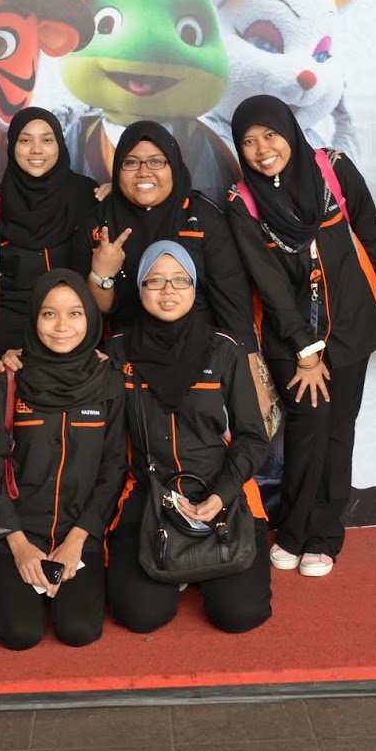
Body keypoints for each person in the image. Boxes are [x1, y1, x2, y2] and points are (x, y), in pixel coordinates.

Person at [226, 96, 376, 577]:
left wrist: (359, 291)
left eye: (270, 135)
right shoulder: (242, 202)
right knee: (308, 425)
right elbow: (268, 282)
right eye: (248, 141)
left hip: (351, 328)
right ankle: (294, 530)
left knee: (339, 429)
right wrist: (304, 349)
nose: (262, 149)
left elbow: (369, 230)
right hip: (289, 337)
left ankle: (324, 536)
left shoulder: (333, 169)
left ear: (289, 132)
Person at [105, 241, 272, 633]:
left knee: (240, 615)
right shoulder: (117, 351)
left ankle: (196, 567)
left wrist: (222, 494)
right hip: (149, 492)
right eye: (156, 280)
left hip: (220, 490)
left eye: (180, 280)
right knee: (141, 616)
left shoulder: (223, 350)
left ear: (195, 288)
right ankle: (188, 565)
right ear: (140, 288)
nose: (168, 290)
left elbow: (252, 437)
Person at [0, 270, 126, 649]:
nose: (62, 326)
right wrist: (19, 544)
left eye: (75, 313)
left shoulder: (107, 380)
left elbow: (113, 467)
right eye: (49, 314)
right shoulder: (11, 378)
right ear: (33, 318)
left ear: (90, 318)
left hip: (80, 530)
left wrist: (79, 539)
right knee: (19, 634)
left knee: (79, 630)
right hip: (16, 528)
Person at [85, 121, 257, 352]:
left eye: (156, 161)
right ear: (118, 169)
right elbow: (92, 312)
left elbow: (232, 303)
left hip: (201, 348)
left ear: (173, 166)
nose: (143, 171)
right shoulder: (99, 221)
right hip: (128, 352)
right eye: (131, 162)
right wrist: (101, 275)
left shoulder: (201, 216)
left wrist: (247, 366)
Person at [0, 108, 97, 376]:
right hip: (10, 339)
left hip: (72, 330)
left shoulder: (86, 195)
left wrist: (114, 192)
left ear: (60, 144)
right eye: (25, 140)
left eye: (46, 140)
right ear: (12, 146)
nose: (36, 149)